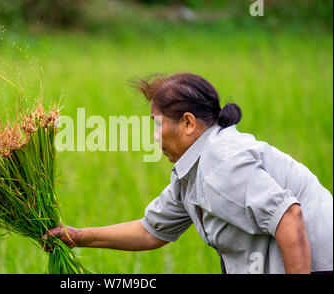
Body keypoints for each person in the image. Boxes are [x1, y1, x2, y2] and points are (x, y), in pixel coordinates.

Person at [43, 73, 333, 274]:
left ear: (188, 123)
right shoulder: (193, 171)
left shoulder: (221, 162)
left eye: (157, 125)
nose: (155, 137)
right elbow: (150, 231)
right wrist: (78, 237)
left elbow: (289, 215)